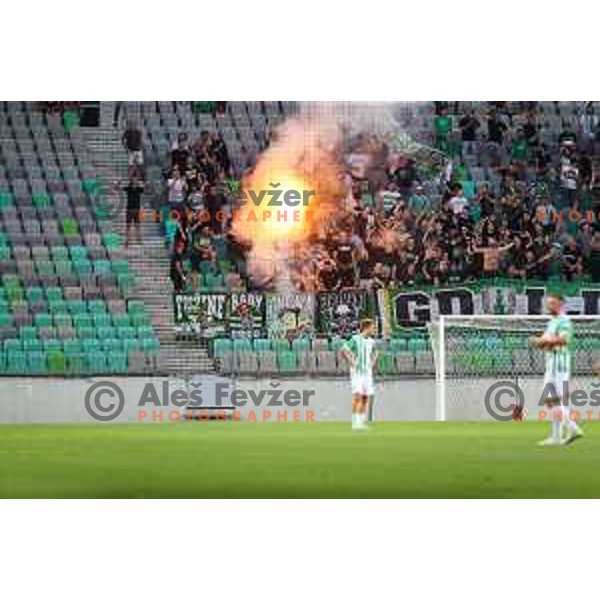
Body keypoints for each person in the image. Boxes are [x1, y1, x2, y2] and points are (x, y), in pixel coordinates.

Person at [531, 293, 583, 446]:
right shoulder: (552, 322)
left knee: (550, 399)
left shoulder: (564, 320)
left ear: (561, 304)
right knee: (556, 401)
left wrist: (542, 341)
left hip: (558, 366)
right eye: (548, 303)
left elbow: (563, 339)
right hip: (552, 364)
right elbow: (546, 343)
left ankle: (573, 428)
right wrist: (541, 342)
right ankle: (557, 437)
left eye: (552, 303)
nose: (549, 306)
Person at [340, 318, 378, 431]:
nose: (374, 329)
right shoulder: (355, 339)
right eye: (373, 327)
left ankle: (361, 422)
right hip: (357, 372)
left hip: (367, 372)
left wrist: (373, 362)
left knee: (365, 397)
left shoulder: (372, 341)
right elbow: (344, 349)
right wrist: (351, 361)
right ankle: (354, 423)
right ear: (366, 327)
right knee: (357, 396)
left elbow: (376, 352)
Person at [123, 168, 144, 248]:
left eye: (136, 180)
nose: (135, 181)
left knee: (137, 225)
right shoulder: (128, 188)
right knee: (128, 226)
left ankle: (139, 239)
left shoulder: (139, 189)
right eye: (133, 180)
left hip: (137, 209)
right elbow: (116, 188)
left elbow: (147, 190)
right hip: (129, 209)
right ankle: (127, 241)